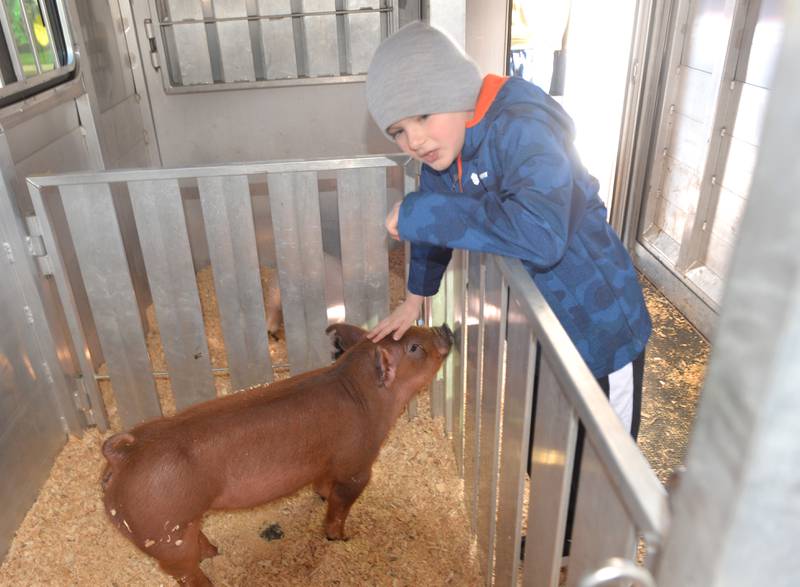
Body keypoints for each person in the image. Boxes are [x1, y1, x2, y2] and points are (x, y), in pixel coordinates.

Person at [364, 22, 651, 553]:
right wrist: (415, 295)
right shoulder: (447, 150)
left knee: (604, 460)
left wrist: (424, 212)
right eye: (398, 132)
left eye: (423, 116)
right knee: (545, 448)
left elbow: (541, 235)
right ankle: (562, 540)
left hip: (597, 329)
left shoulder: (524, 128)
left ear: (457, 91)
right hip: (543, 332)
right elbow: (435, 228)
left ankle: (603, 551)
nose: (415, 141)